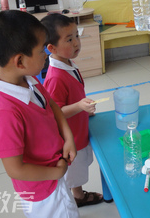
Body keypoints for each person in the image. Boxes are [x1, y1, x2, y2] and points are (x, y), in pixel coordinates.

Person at [0, 10, 79, 218]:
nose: (46, 54)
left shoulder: (27, 78)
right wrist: (56, 173)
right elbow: (15, 169)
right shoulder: (4, 111)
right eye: (41, 51)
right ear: (19, 61)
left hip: (55, 173)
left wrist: (68, 136)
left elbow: (51, 104)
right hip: (41, 193)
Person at [41, 13, 104, 207]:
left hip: (78, 128)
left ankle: (78, 194)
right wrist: (79, 106)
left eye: (77, 35)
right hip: (70, 138)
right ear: (51, 48)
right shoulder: (56, 77)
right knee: (74, 171)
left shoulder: (68, 63)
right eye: (69, 39)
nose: (77, 42)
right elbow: (54, 112)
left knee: (79, 169)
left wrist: (83, 110)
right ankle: (73, 199)